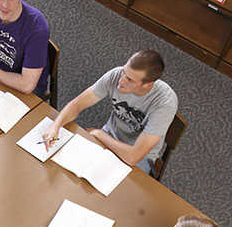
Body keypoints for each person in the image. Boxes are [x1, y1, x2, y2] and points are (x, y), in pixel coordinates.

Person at [42, 50, 177, 174]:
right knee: (68, 170)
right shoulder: (116, 75)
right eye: (124, 71)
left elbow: (133, 157)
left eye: (129, 79)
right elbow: (77, 104)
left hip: (139, 158)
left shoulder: (165, 103)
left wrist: (100, 134)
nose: (121, 80)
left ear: (148, 85)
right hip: (110, 136)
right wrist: (56, 126)